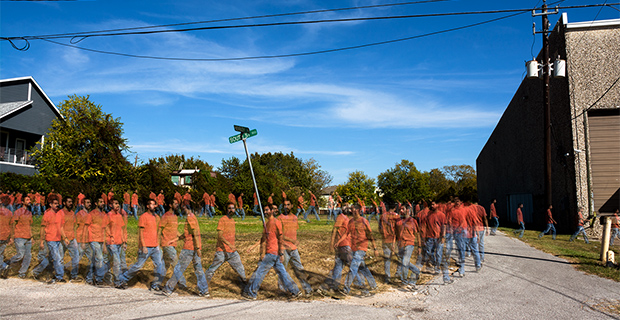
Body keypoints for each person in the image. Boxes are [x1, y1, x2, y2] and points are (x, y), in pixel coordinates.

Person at [242, 205, 301, 300]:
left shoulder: (276, 223)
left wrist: (281, 253)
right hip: (274, 254)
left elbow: (280, 238)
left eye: (267, 210)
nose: (265, 212)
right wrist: (254, 247)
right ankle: (295, 291)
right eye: (264, 210)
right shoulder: (267, 223)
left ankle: (251, 293)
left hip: (272, 253)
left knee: (260, 273)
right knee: (283, 274)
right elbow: (264, 239)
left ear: (272, 211)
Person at [118, 199, 165, 290]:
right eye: (152, 204)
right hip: (146, 246)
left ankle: (156, 285)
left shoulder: (157, 217)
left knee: (159, 265)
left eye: (155, 205)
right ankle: (122, 279)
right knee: (138, 266)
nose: (154, 206)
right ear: (147, 206)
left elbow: (158, 232)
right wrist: (143, 246)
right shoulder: (143, 217)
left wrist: (158, 244)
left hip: (155, 246)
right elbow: (140, 233)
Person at [162, 206, 209, 297]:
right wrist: (175, 239)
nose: (181, 209)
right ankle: (204, 290)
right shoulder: (193, 217)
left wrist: (198, 248)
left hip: (189, 248)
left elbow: (195, 233)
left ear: (186, 208)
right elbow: (188, 234)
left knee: (179, 268)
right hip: (194, 247)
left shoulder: (189, 217)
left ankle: (168, 288)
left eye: (183, 207)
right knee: (198, 269)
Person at [205, 202, 247, 287]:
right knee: (212, 269)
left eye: (233, 208)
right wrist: (229, 244)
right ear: (226, 210)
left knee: (240, 269)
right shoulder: (222, 220)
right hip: (221, 251)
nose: (231, 210)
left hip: (232, 252)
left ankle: (245, 288)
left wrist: (232, 246)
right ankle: (202, 286)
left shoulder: (232, 221)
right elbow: (220, 236)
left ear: (235, 209)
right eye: (229, 208)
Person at [341, 204, 378, 296]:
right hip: (353, 248)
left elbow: (370, 235)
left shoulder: (364, 221)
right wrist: (339, 241)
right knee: (362, 268)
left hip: (362, 248)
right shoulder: (351, 221)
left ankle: (346, 288)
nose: (351, 211)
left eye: (353, 209)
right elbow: (347, 233)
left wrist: (375, 248)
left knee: (353, 268)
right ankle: (373, 286)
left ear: (358, 210)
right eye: (351, 209)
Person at [277, 200, 312, 295]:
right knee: (282, 270)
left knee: (300, 269)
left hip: (293, 249)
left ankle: (308, 290)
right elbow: (280, 234)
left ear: (292, 206)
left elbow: (294, 232)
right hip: (284, 248)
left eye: (288, 205)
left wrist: (294, 242)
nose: (286, 206)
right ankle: (282, 290)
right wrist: (291, 241)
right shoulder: (279, 218)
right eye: (284, 205)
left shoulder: (295, 218)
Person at [32, 196, 69, 284]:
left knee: (52, 258)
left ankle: (35, 272)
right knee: (57, 258)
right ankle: (59, 276)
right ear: (50, 205)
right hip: (50, 239)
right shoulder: (47, 214)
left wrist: (65, 238)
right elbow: (42, 228)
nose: (57, 205)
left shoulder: (60, 213)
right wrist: (41, 241)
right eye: (55, 204)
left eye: (57, 204)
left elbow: (61, 227)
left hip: (58, 239)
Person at [1, 195, 32, 279]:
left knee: (28, 256)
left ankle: (22, 273)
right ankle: (6, 263)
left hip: (28, 237)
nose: (29, 201)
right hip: (19, 237)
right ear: (22, 202)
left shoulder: (29, 213)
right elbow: (13, 223)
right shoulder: (18, 212)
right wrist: (12, 236)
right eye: (27, 200)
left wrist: (31, 236)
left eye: (30, 200)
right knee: (20, 255)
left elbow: (29, 225)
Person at [84, 198, 109, 286]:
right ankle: (99, 279)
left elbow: (106, 229)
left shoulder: (104, 214)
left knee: (95, 260)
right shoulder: (91, 214)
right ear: (96, 203)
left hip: (102, 239)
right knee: (99, 259)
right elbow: (86, 227)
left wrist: (105, 243)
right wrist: (84, 241)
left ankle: (89, 278)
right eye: (100, 202)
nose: (102, 203)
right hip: (93, 239)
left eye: (103, 202)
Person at [396, 204, 421, 288]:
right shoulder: (398, 221)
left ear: (407, 210)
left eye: (402, 209)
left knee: (405, 262)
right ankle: (417, 271)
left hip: (409, 244)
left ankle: (404, 281)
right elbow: (395, 234)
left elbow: (417, 234)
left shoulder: (413, 221)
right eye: (400, 209)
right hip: (401, 244)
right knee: (404, 261)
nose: (400, 211)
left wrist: (419, 247)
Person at [105, 199, 127, 288]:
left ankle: (102, 276)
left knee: (110, 262)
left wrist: (124, 241)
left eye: (118, 203)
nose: (117, 205)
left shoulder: (119, 216)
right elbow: (105, 227)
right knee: (116, 262)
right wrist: (111, 236)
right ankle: (118, 282)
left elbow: (121, 229)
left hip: (119, 242)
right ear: (110, 205)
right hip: (111, 242)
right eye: (116, 203)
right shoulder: (108, 215)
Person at [61, 197, 80, 281]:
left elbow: (75, 225)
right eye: (68, 202)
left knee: (76, 256)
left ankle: (74, 276)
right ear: (64, 203)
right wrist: (64, 237)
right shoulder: (60, 213)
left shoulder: (72, 213)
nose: (70, 203)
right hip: (62, 239)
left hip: (72, 238)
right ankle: (59, 276)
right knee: (59, 258)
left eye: (71, 202)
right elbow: (59, 227)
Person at [159, 199, 180, 278]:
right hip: (167, 244)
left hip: (173, 243)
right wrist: (159, 243)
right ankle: (181, 283)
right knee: (176, 262)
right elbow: (160, 229)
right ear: (170, 205)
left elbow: (175, 229)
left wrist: (183, 237)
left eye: (177, 204)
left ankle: (157, 283)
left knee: (165, 265)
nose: (177, 205)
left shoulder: (175, 217)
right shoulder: (166, 216)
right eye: (175, 204)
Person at [379, 204, 400, 284]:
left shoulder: (382, 216)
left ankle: (387, 278)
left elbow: (380, 228)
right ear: (395, 208)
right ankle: (398, 275)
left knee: (387, 260)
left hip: (385, 239)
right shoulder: (396, 216)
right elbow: (398, 228)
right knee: (400, 259)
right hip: (394, 239)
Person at [75, 198, 92, 280]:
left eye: (90, 202)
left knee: (92, 258)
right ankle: (73, 274)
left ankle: (89, 276)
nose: (89, 204)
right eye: (87, 202)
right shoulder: (79, 214)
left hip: (88, 239)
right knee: (77, 257)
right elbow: (75, 226)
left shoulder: (90, 214)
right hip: (81, 239)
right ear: (83, 204)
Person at [0, 195, 12, 274]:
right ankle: (3, 267)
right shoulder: (10, 213)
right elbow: (11, 225)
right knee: (1, 253)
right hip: (5, 235)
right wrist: (11, 237)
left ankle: (3, 266)